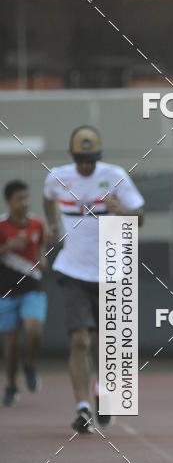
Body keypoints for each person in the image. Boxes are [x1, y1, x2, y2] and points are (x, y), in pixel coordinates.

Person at [43, 126, 145, 433]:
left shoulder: (115, 175)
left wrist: (120, 210)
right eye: (81, 159)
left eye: (91, 159)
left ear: (98, 156)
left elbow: (139, 218)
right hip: (72, 270)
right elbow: (48, 198)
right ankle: (82, 406)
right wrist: (51, 224)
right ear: (72, 156)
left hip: (111, 271)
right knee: (80, 339)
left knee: (106, 342)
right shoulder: (57, 177)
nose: (86, 165)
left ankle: (103, 389)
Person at [0, 180, 47, 406]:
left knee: (33, 330)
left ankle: (30, 364)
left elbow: (42, 251)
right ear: (9, 201)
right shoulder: (1, 226)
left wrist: (43, 261)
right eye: (19, 199)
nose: (24, 203)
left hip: (32, 287)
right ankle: (10, 384)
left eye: (27, 197)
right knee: (10, 344)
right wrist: (8, 247)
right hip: (6, 290)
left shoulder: (37, 224)